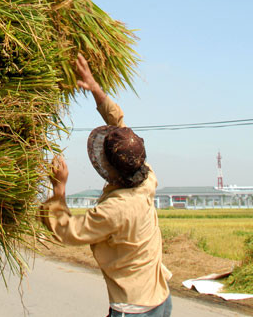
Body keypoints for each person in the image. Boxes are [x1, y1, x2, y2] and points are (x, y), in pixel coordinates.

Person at [41, 54, 173, 317]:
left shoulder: (116, 210)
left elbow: (68, 231)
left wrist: (58, 191)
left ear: (110, 169)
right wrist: (96, 89)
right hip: (160, 298)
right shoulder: (147, 177)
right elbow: (121, 129)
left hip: (134, 310)